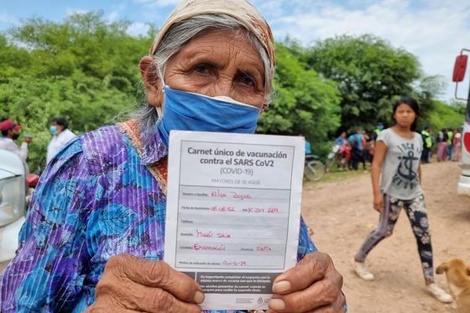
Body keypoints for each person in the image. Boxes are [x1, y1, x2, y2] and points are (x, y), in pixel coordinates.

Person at [0, 1, 347, 312]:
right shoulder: (90, 163)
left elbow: (305, 282)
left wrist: (325, 299)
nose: (222, 95)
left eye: (246, 79)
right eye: (202, 69)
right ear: (154, 80)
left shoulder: (268, 179)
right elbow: (20, 303)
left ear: (262, 103)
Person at [351, 97, 452, 304]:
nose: (405, 114)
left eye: (409, 111)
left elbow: (417, 165)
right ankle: (359, 259)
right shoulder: (385, 136)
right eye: (401, 111)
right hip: (392, 194)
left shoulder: (418, 138)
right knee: (384, 230)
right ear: (394, 114)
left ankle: (430, 281)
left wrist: (420, 188)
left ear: (415, 115)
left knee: (424, 234)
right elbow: (376, 164)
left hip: (414, 194)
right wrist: (377, 194)